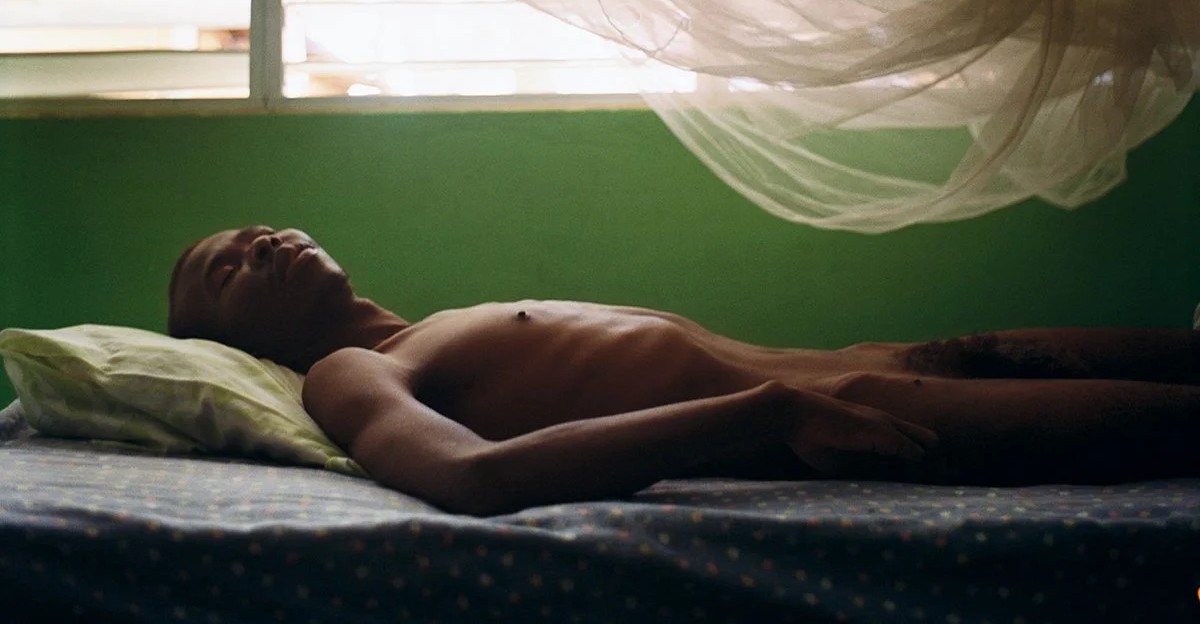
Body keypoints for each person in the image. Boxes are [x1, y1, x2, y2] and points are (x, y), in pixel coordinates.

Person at [168, 225, 1200, 515]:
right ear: (231, 346)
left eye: (255, 230)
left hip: (898, 358)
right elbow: (472, 477)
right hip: (856, 408)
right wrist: (762, 414)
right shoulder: (346, 373)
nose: (257, 242)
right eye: (225, 267)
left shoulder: (433, 326)